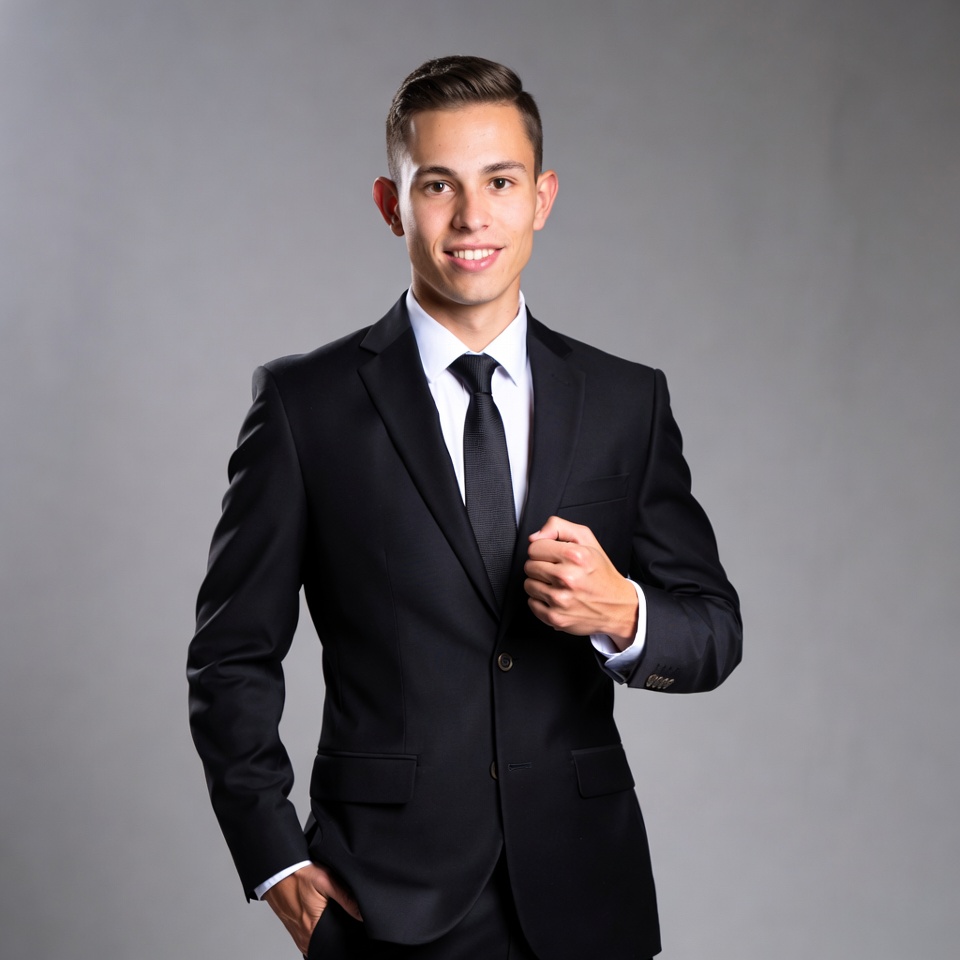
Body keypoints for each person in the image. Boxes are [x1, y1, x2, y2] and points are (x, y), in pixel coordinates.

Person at [187, 56, 741, 960]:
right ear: (391, 204)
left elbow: (715, 629)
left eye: (501, 182)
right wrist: (274, 862)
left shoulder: (624, 400)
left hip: (586, 893)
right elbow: (230, 656)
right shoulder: (305, 406)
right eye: (438, 184)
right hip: (381, 901)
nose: (472, 216)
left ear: (543, 197)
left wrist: (625, 614)